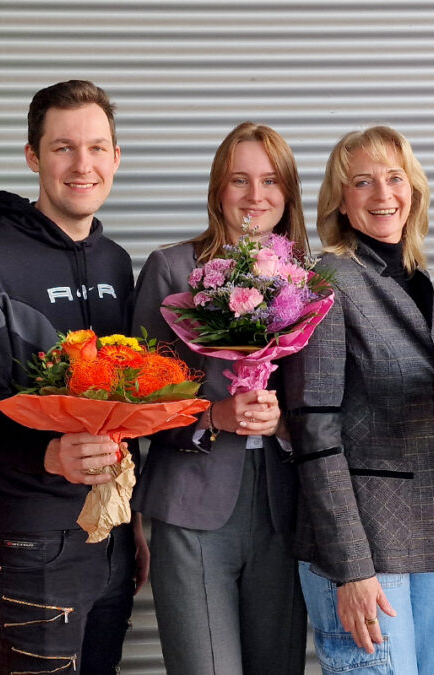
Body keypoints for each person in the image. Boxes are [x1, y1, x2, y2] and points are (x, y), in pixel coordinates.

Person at [0, 80, 144, 675]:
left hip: (112, 532)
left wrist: (131, 512)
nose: (84, 165)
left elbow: (127, 401)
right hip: (29, 538)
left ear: (116, 157)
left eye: (98, 148)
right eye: (63, 148)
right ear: (33, 156)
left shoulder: (115, 261)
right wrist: (49, 453)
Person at [282, 125, 434, 675]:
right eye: (362, 182)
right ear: (341, 200)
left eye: (394, 178)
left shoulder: (418, 279)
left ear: (413, 189)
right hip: (364, 547)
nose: (383, 194)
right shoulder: (329, 279)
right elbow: (314, 431)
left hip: (433, 539)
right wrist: (349, 568)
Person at [130, 121, 307, 674]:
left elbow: (330, 402)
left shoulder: (308, 280)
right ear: (217, 190)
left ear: (288, 193)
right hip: (193, 502)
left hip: (284, 507)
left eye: (271, 181)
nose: (256, 196)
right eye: (239, 180)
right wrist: (213, 416)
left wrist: (282, 425)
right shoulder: (173, 269)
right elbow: (139, 403)